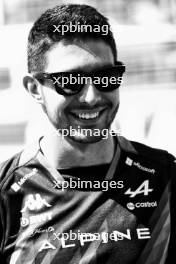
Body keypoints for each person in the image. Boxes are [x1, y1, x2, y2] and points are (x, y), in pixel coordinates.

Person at [0, 4, 175, 264]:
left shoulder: (165, 179)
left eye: (106, 77)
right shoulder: (7, 191)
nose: (92, 97)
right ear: (35, 89)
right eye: (70, 81)